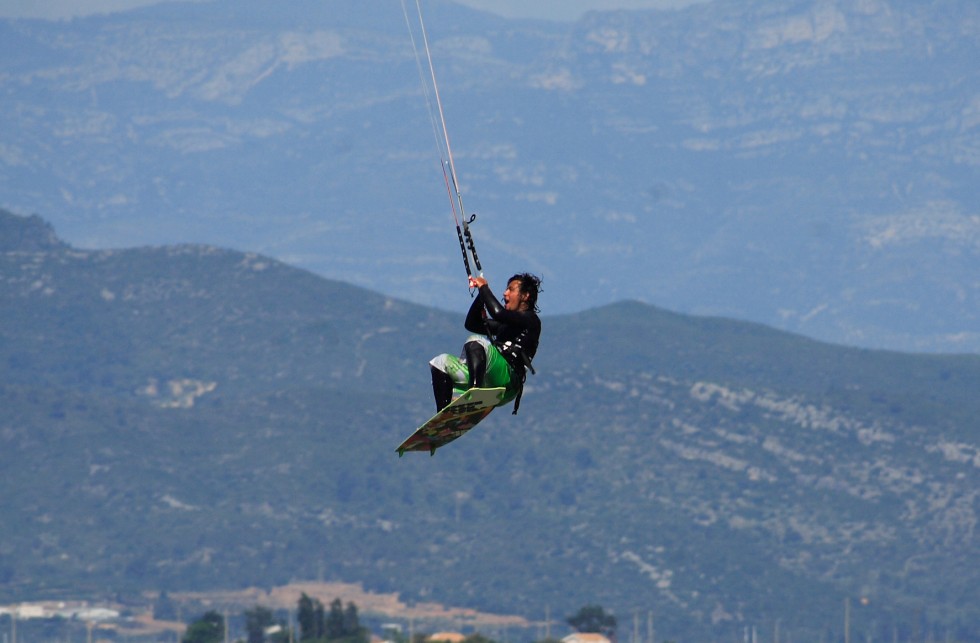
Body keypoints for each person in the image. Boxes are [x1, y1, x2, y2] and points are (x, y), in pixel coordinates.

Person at [429, 272, 542, 414]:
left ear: (525, 296)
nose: (505, 293)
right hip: (490, 381)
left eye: (511, 289)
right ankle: (443, 414)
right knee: (440, 362)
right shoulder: (503, 325)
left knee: (475, 340)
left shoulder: (531, 320)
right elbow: (471, 323)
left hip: (508, 381)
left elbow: (497, 313)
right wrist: (481, 296)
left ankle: (474, 393)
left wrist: (484, 288)